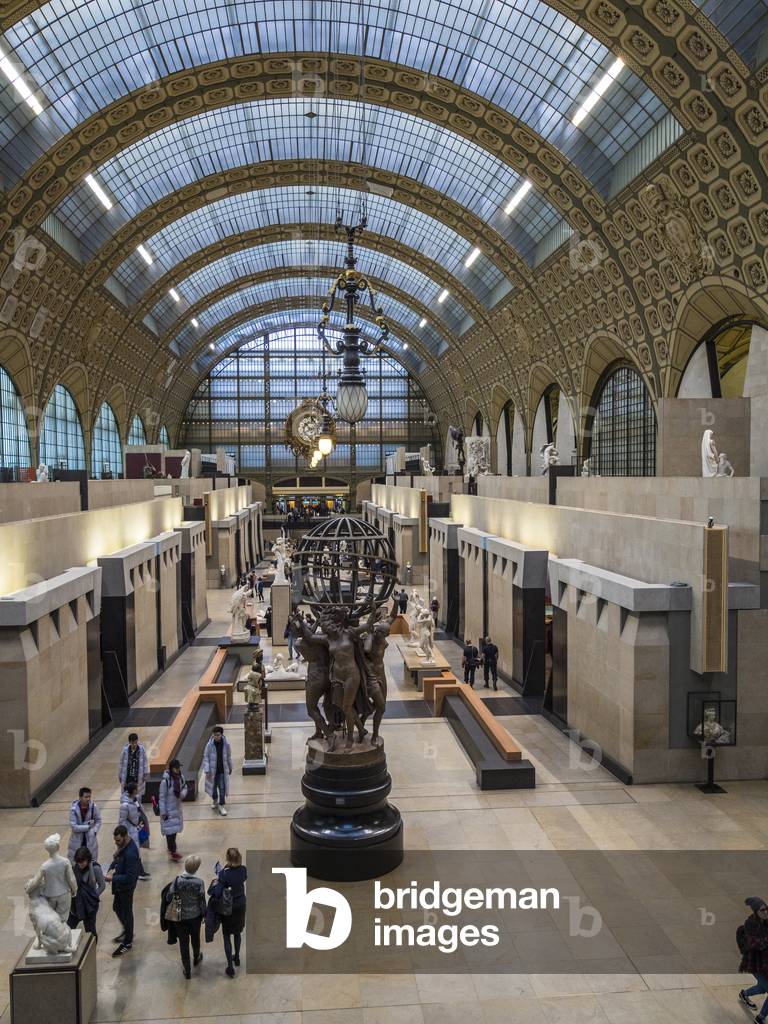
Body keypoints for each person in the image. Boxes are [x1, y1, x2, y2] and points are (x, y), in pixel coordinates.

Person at [166, 855, 206, 979]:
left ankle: (187, 969)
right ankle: (196, 956)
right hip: (195, 917)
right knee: (195, 938)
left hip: (180, 917)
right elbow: (202, 901)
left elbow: (168, 897)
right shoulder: (199, 883)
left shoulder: (177, 881)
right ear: (196, 868)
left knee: (183, 943)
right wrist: (204, 914)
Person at [105, 825, 139, 957]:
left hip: (127, 887)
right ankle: (127, 930)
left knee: (126, 911)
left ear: (125, 837)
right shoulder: (123, 847)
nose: (116, 843)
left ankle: (127, 942)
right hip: (120, 884)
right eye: (115, 840)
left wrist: (113, 878)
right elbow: (118, 860)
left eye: (118, 840)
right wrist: (112, 867)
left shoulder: (131, 853)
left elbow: (131, 876)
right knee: (117, 907)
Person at [214, 847, 248, 978]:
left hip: (228, 908)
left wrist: (222, 871)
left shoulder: (224, 874)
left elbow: (217, 892)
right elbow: (243, 877)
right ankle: (237, 957)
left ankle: (230, 966)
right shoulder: (243, 870)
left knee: (227, 935)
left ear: (228, 859)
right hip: (241, 905)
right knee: (237, 933)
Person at [739, 896, 768, 1019]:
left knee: (761, 988)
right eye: (762, 910)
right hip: (756, 964)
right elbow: (753, 944)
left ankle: (744, 994)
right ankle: (760, 1018)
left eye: (766, 909)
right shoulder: (750, 924)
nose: (765, 912)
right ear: (756, 911)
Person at [68, 846, 105, 939]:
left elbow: (102, 885)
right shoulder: (75, 866)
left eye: (82, 862)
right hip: (76, 903)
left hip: (89, 906)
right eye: (78, 862)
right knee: (68, 927)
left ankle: (92, 950)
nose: (80, 864)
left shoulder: (95, 868)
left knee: (90, 931)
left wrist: (93, 896)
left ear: (88, 859)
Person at [118, 784, 151, 879]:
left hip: (137, 828)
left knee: (136, 851)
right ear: (133, 791)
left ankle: (139, 871)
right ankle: (139, 872)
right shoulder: (125, 805)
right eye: (136, 788)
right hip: (130, 831)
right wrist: (124, 835)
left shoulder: (135, 799)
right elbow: (122, 821)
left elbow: (139, 811)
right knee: (134, 852)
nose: (138, 790)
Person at [159, 758, 187, 861]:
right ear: (172, 768)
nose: (178, 769)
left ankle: (171, 849)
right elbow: (162, 798)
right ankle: (173, 851)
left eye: (179, 767)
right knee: (169, 832)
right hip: (168, 810)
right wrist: (163, 812)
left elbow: (185, 787)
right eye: (177, 768)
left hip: (176, 809)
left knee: (174, 831)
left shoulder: (181, 777)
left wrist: (182, 794)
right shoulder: (165, 781)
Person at [202, 726, 233, 816]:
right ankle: (215, 799)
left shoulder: (226, 744)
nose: (216, 737)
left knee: (222, 788)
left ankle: (222, 805)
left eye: (218, 735)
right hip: (212, 771)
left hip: (222, 770)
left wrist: (230, 767)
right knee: (213, 787)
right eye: (215, 735)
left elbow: (228, 756)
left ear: (221, 735)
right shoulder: (209, 745)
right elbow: (206, 757)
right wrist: (207, 769)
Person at [67, 787, 102, 863]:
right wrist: (88, 827)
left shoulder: (94, 807)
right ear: (80, 797)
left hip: (90, 840)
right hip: (77, 841)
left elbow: (98, 820)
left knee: (90, 862)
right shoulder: (74, 809)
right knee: (76, 863)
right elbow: (74, 827)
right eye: (86, 797)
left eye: (89, 796)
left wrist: (94, 831)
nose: (88, 799)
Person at [118, 733, 149, 797]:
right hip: (128, 776)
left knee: (137, 793)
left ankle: (137, 805)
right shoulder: (125, 750)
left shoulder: (142, 749)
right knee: (127, 792)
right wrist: (120, 774)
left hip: (137, 775)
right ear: (129, 742)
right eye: (132, 743)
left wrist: (145, 773)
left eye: (135, 742)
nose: (134, 744)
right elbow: (121, 763)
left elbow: (145, 762)